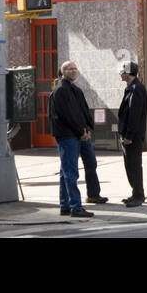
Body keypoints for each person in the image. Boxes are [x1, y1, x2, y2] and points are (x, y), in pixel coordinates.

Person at [49, 60, 94, 219]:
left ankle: (66, 206)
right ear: (62, 72)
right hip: (68, 136)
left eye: (75, 68)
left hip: (78, 134)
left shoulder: (75, 89)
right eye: (69, 69)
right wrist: (80, 131)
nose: (73, 71)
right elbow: (67, 116)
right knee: (70, 172)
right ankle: (75, 207)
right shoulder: (61, 90)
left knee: (66, 172)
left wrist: (87, 129)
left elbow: (83, 112)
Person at [118, 61, 147, 207]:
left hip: (132, 136)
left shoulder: (136, 89)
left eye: (122, 71)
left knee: (134, 165)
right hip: (131, 135)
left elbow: (134, 115)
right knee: (130, 165)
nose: (120, 73)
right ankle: (136, 193)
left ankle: (138, 195)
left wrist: (129, 136)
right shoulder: (132, 87)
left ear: (128, 73)